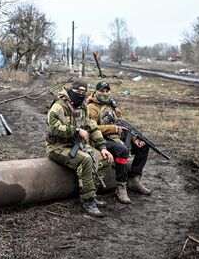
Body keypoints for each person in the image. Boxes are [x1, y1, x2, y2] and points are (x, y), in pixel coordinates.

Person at [46, 80, 114, 217]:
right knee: (86, 160)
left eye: (83, 93)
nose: (80, 95)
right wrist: (76, 131)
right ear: (71, 91)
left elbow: (93, 127)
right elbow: (53, 129)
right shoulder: (59, 107)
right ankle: (87, 200)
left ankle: (92, 193)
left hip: (77, 145)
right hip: (58, 147)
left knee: (105, 159)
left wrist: (102, 147)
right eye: (77, 92)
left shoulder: (83, 107)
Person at [87, 81, 151, 204]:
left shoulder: (112, 105)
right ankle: (121, 186)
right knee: (122, 150)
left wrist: (134, 139)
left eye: (107, 91)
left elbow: (122, 124)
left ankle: (134, 179)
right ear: (96, 92)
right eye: (102, 91)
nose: (105, 94)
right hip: (98, 139)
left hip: (115, 137)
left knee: (143, 145)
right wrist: (113, 128)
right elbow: (92, 128)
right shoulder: (91, 108)